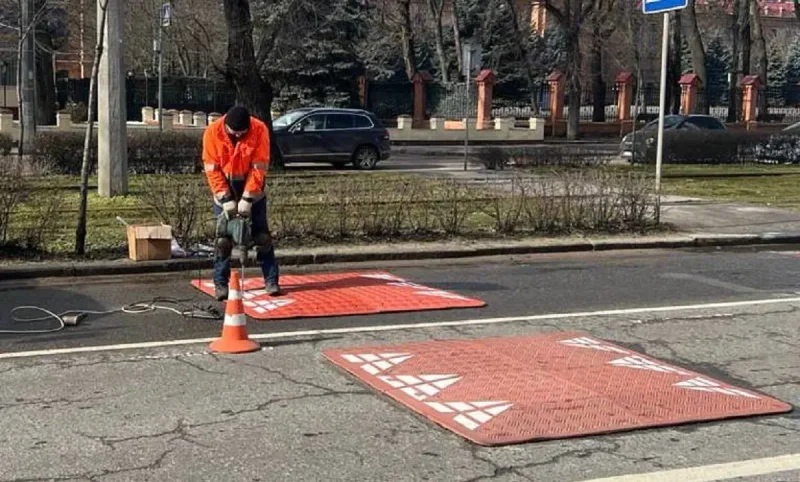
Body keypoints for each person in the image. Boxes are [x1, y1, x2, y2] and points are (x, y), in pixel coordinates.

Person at [202, 105, 280, 301]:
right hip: (224, 188)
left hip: (252, 189)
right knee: (223, 240)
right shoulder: (212, 132)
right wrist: (225, 198)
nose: (238, 136)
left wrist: (247, 197)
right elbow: (212, 169)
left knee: (262, 237)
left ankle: (271, 280)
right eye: (234, 132)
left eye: (242, 133)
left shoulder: (259, 129)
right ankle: (220, 283)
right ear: (226, 125)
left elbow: (259, 167)